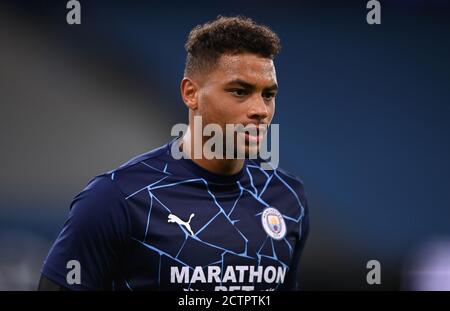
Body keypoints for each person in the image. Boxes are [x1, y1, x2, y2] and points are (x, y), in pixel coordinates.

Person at [38, 15, 309, 291]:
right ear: (191, 93)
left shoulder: (287, 198)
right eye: (240, 91)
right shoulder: (116, 198)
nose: (261, 110)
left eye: (268, 94)